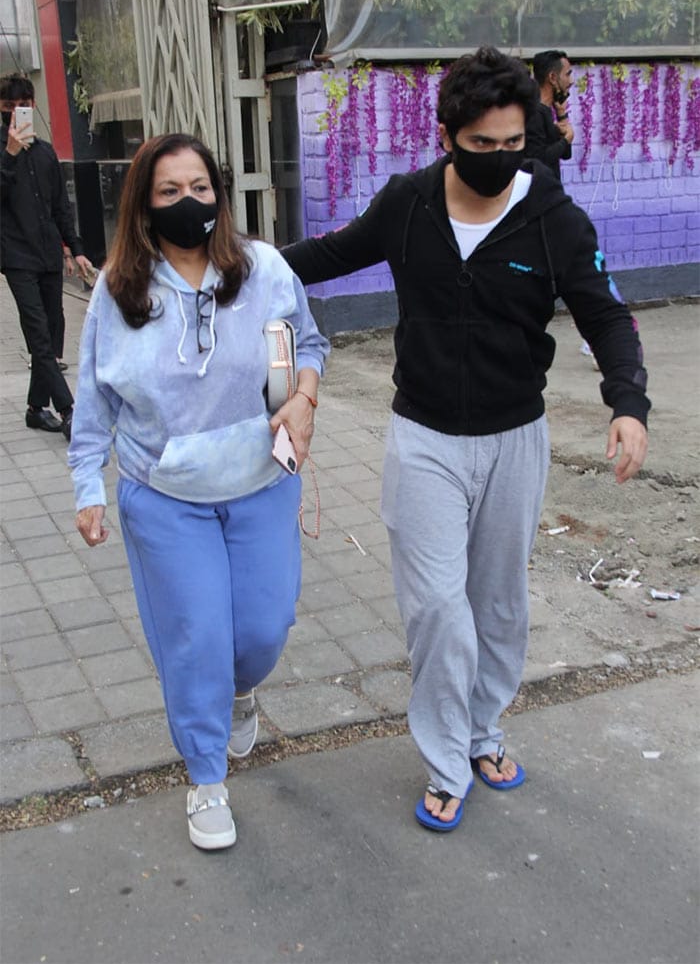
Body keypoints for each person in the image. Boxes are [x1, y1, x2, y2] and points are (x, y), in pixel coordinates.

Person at [282, 47, 649, 832]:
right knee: (438, 610)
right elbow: (325, 257)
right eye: (480, 144)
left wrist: (628, 404)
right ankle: (448, 758)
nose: (497, 159)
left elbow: (607, 314)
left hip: (516, 437)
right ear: (448, 132)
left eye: (512, 143)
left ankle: (484, 729)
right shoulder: (408, 202)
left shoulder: (552, 216)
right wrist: (228, 266)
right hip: (424, 441)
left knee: (498, 605)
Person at [67, 133, 329, 851]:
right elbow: (93, 396)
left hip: (261, 481)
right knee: (198, 640)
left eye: (201, 188)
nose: (191, 203)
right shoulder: (121, 287)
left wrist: (302, 399)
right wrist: (88, 482)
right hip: (165, 495)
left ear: (220, 192)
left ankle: (242, 692)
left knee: (262, 633)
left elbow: (306, 345)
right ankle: (206, 776)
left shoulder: (265, 269)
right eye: (170, 192)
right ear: (144, 207)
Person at [0, 72, 93, 439]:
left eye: (24, 105)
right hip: (15, 255)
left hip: (49, 255)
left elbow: (61, 206)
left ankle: (36, 408)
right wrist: (8, 154)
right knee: (38, 333)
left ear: (33, 106)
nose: (18, 113)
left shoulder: (44, 151)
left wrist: (77, 249)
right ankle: (69, 410)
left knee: (54, 331)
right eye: (9, 107)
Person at [524, 50, 575, 182]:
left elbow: (565, 154)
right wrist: (565, 140)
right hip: (539, 197)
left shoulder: (547, 110)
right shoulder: (534, 112)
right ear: (552, 77)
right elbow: (538, 159)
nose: (571, 81)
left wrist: (561, 115)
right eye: (567, 75)